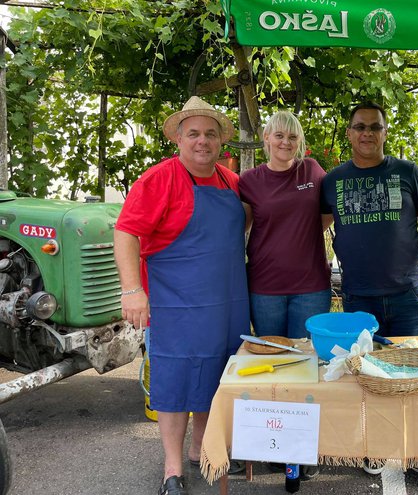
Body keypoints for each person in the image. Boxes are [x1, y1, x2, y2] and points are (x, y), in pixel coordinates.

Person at [320, 101, 418, 491]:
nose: (367, 133)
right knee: (366, 378)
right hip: (358, 300)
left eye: (375, 126)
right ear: (349, 133)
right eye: (360, 126)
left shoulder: (407, 172)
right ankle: (372, 448)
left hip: (407, 296)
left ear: (385, 132)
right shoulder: (332, 181)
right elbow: (313, 230)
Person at [114, 96, 249, 495]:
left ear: (220, 141)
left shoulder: (231, 181)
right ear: (178, 138)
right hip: (174, 301)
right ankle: (172, 469)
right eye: (193, 133)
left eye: (210, 134)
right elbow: (125, 233)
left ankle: (200, 450)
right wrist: (132, 290)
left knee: (215, 374)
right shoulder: (158, 179)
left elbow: (245, 225)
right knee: (175, 380)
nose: (202, 141)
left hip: (225, 301)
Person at [239, 110, 331, 339]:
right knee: (272, 357)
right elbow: (242, 227)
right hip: (265, 288)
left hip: (312, 287)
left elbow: (329, 212)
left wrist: (304, 232)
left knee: (307, 358)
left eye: (292, 137)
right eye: (279, 135)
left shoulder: (312, 169)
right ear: (267, 137)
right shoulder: (250, 180)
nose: (285, 142)